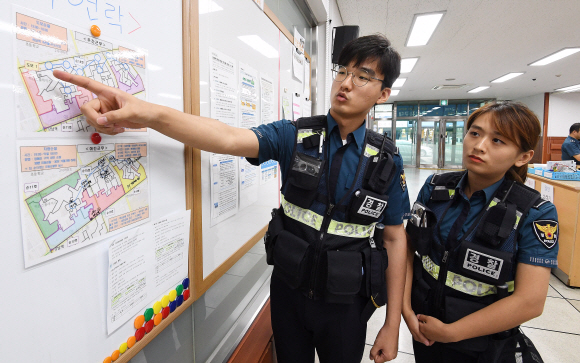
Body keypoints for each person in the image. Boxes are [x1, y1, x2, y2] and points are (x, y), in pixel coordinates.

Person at [53, 34, 410, 363]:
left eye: (362, 76)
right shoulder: (295, 135)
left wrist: (392, 324)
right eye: (342, 72)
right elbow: (224, 137)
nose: (345, 83)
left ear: (383, 94)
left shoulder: (387, 162)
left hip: (346, 304)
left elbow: (395, 239)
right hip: (288, 292)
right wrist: (147, 113)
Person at [402, 101, 558, 363]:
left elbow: (530, 301)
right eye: (475, 133)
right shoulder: (436, 188)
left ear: (523, 157)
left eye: (498, 140)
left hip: (482, 344)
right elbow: (408, 249)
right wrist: (405, 309)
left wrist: (452, 333)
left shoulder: (535, 212)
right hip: (424, 325)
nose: (479, 145)